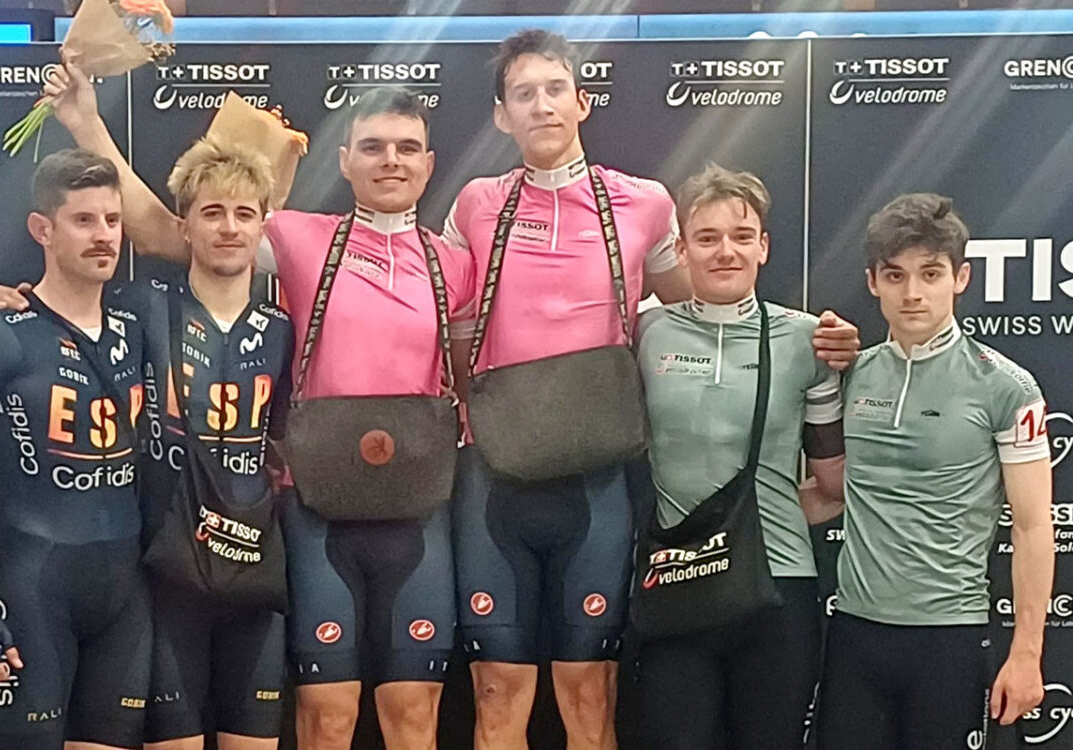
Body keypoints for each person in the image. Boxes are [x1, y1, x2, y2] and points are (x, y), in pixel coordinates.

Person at [32, 62, 475, 750]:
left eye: (406, 148)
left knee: (415, 717)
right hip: (314, 507)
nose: (391, 161)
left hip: (417, 512)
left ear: (429, 163)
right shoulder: (302, 237)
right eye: (373, 147)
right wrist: (86, 125)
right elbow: (165, 230)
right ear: (345, 161)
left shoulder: (458, 263)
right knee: (326, 719)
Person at [442, 29, 859, 750]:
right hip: (495, 475)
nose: (542, 105)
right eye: (523, 94)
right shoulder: (477, 203)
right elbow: (429, 310)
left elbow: (698, 312)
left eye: (555, 89)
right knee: (497, 692)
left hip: (598, 482)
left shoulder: (642, 203)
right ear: (502, 115)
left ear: (582, 101)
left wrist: (822, 340)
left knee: (589, 696)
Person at [0, 119, 295, 746]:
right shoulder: (140, 309)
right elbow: (64, 310)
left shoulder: (284, 325)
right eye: (212, 213)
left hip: (253, 572)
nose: (228, 228)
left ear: (263, 228)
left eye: (243, 215)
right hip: (166, 576)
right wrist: (10, 304)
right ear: (185, 226)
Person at [0, 150, 151, 750]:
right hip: (36, 584)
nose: (103, 235)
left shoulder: (138, 328)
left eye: (112, 220)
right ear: (42, 229)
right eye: (83, 220)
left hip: (126, 591)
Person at [815, 193, 1053, 749]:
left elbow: (1033, 526)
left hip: (949, 640)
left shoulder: (1007, 387)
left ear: (960, 278)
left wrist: (1027, 654)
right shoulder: (853, 375)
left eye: (930, 273)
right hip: (854, 634)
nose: (913, 293)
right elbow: (831, 491)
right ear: (873, 282)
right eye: (895, 275)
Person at [631, 165, 844, 749]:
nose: (726, 251)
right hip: (676, 586)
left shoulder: (808, 340)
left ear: (763, 247)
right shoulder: (645, 332)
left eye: (741, 236)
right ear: (681, 251)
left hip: (779, 587)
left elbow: (833, 483)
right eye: (707, 238)